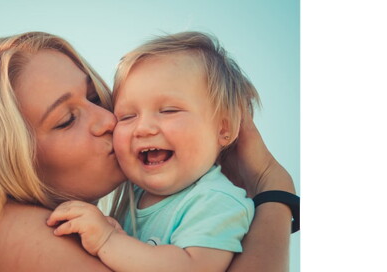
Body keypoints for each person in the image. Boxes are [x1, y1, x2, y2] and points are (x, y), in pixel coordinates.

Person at [0, 31, 297, 272]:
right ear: (4, 158)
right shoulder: (3, 228)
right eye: (66, 119)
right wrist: (275, 192)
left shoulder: (148, 206)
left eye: (93, 96)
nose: (108, 119)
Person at [47, 31, 262, 272]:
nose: (143, 128)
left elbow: (192, 268)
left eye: (169, 110)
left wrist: (108, 240)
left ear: (224, 128)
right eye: (127, 116)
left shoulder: (217, 199)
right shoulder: (132, 192)